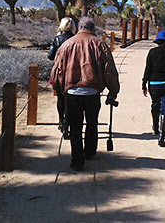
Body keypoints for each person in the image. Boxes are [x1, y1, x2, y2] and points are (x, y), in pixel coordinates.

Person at [50, 17, 120, 171]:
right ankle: (89, 151)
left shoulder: (67, 44)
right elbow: (109, 71)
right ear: (92, 29)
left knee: (74, 126)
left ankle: (77, 160)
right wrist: (113, 90)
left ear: (79, 28)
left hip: (72, 92)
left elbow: (57, 68)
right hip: (93, 91)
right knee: (92, 122)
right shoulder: (99, 44)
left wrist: (59, 87)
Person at [48, 17, 76, 139]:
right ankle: (66, 124)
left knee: (60, 98)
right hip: (73, 73)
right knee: (70, 99)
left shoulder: (57, 39)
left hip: (59, 73)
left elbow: (50, 56)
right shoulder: (76, 40)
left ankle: (60, 121)